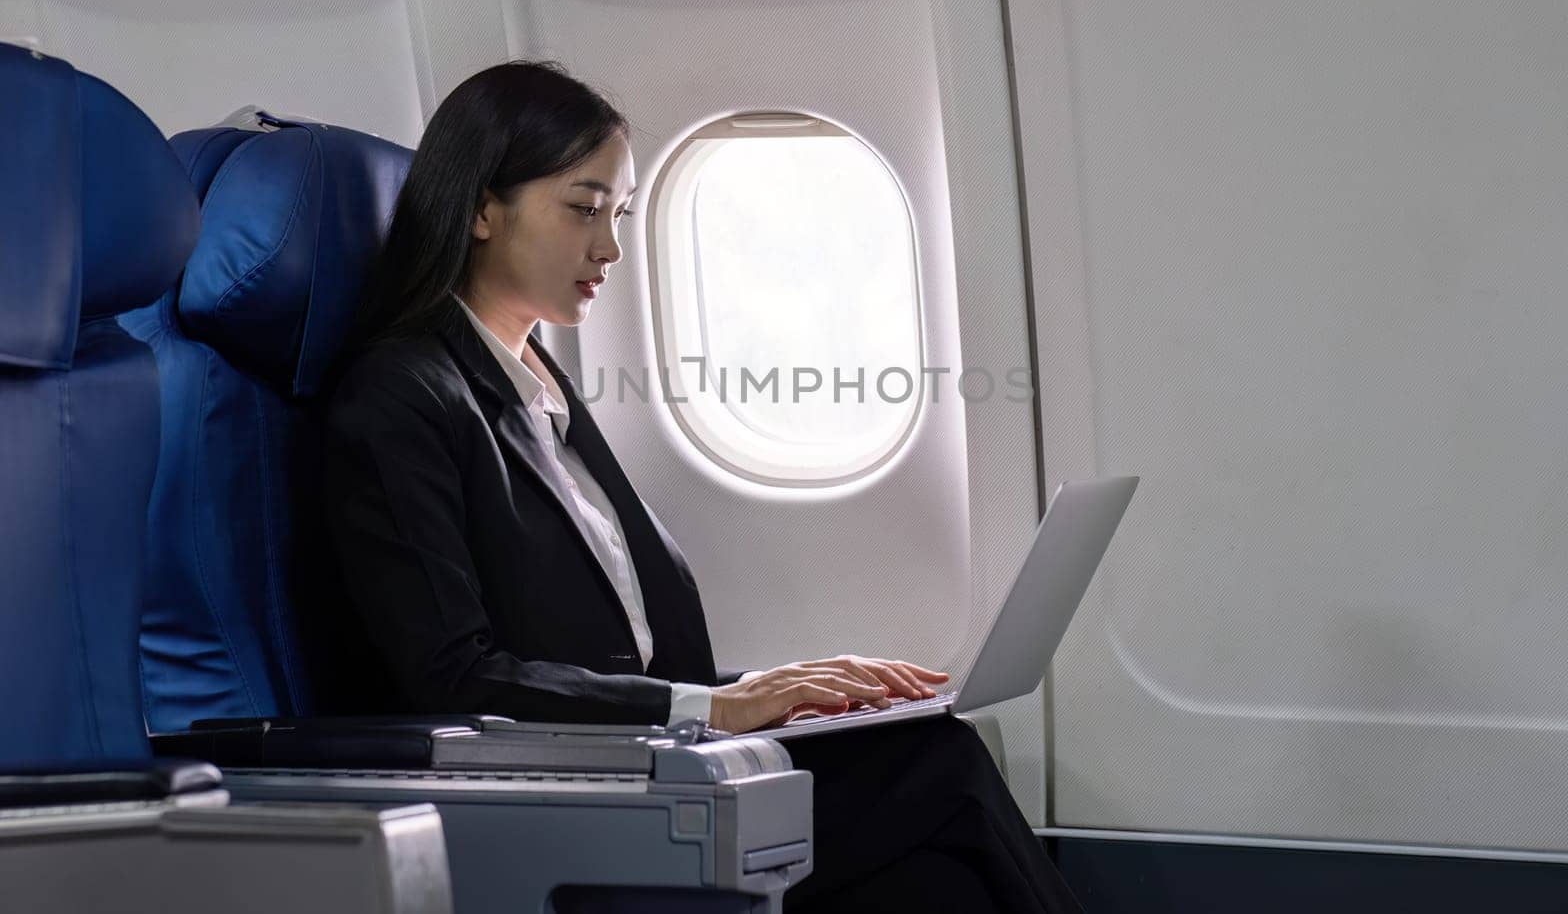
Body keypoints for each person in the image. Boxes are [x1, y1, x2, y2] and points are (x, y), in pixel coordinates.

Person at [322, 60, 1085, 912]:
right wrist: (718, 706)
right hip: (559, 795)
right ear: (481, 208)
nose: (609, 247)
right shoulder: (400, 395)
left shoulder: (533, 381)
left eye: (620, 214)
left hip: (650, 758)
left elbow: (627, 644)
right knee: (939, 773)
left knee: (934, 854)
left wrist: (782, 689)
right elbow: (451, 677)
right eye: (583, 208)